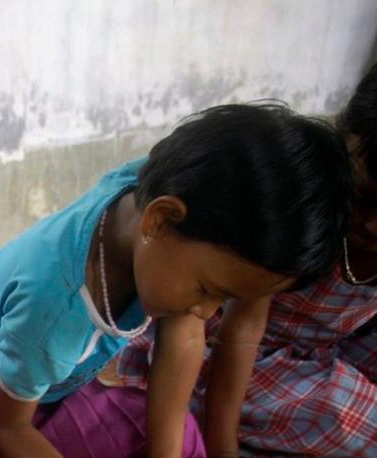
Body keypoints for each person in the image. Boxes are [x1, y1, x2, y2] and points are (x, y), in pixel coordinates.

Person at [0, 102, 353, 457]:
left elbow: (182, 328)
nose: (207, 313)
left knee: (179, 442)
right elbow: (5, 425)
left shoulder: (152, 191)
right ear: (160, 220)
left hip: (49, 385)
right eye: (209, 291)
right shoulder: (58, 312)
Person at [112, 63, 377, 456]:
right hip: (223, 360)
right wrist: (222, 448)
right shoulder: (298, 210)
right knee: (351, 410)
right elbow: (235, 332)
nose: (372, 226)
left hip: (312, 362)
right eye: (363, 198)